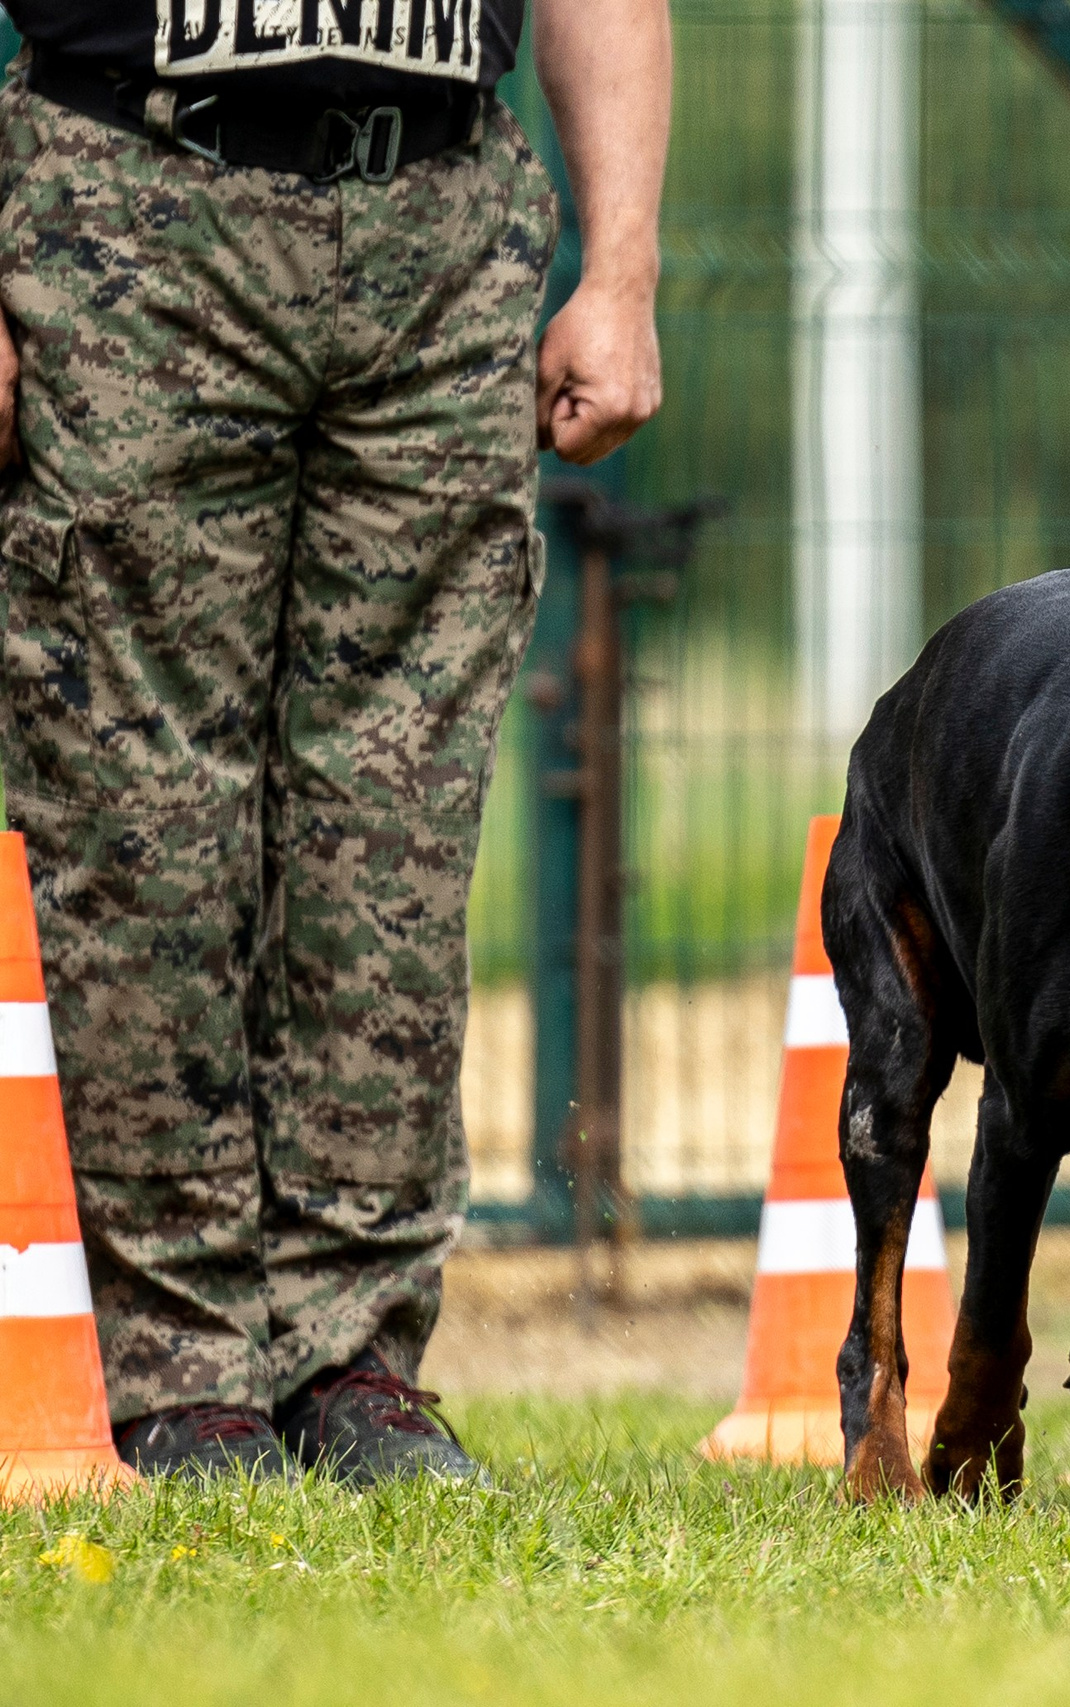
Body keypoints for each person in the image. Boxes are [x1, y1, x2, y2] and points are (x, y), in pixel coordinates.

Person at [0, 0, 668, 1483]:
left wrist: (621, 270)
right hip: (133, 201)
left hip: (443, 224)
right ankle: (175, 1367)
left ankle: (356, 1363)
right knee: (138, 813)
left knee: (397, 831)